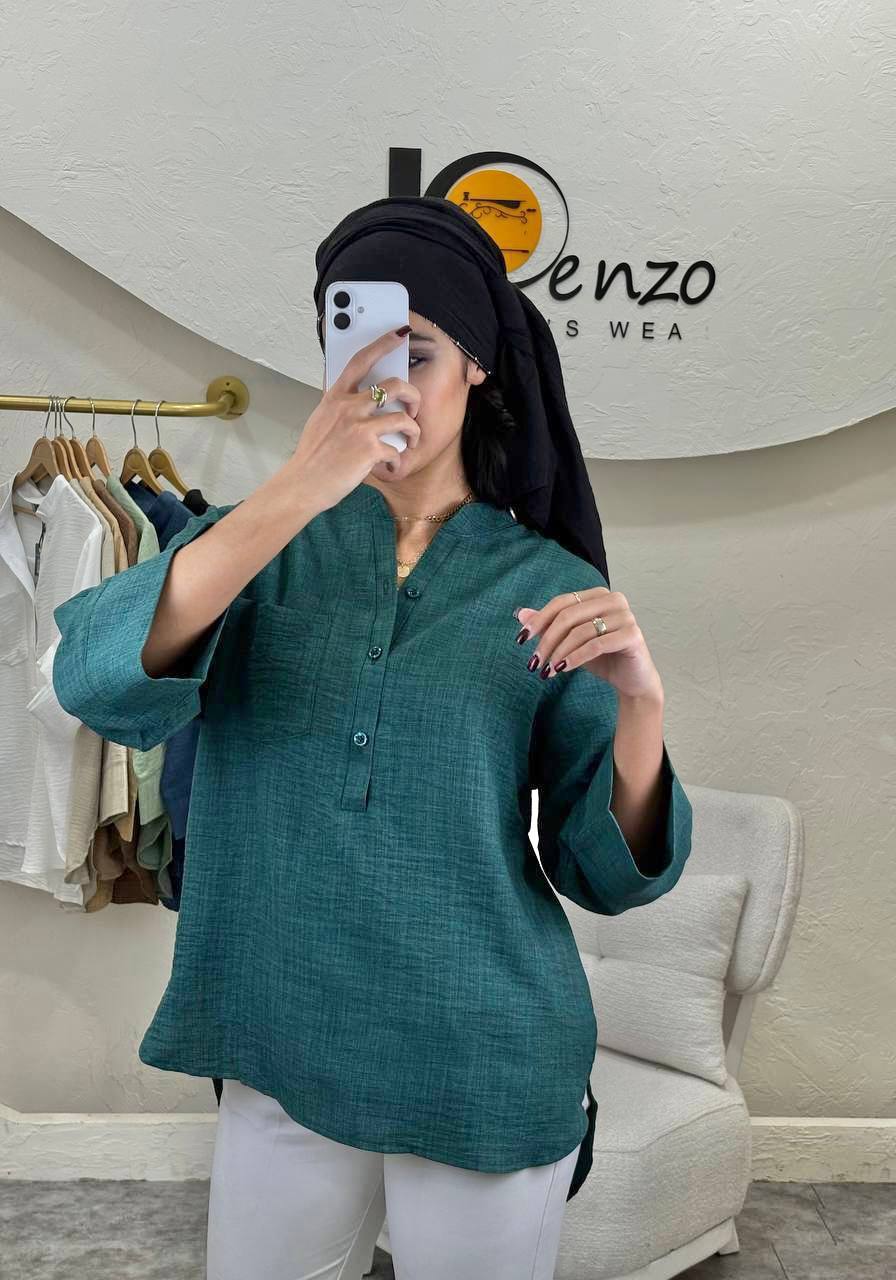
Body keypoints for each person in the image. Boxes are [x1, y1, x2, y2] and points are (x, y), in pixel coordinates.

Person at [52, 197, 693, 1280]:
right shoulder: (255, 548)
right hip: (277, 1042)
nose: (382, 381)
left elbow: (606, 871)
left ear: (479, 365)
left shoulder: (545, 582)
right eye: (353, 348)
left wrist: (642, 707)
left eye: (419, 351)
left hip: (483, 1057)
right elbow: (95, 681)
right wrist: (298, 487)